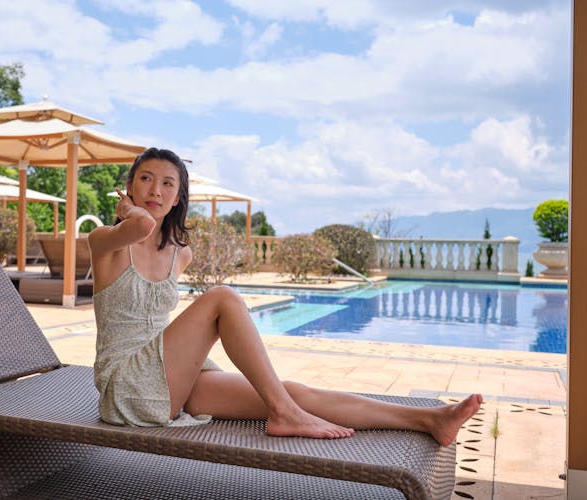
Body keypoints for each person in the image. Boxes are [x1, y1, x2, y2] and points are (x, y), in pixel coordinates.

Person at [88, 147, 482, 443]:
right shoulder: (106, 242)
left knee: (294, 392)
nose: (155, 189)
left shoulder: (180, 254)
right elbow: (138, 229)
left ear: (178, 198)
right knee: (223, 297)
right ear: (129, 187)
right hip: (126, 388)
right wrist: (129, 211)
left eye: (167, 183)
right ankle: (284, 413)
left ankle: (428, 420)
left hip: (169, 378)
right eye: (145, 179)